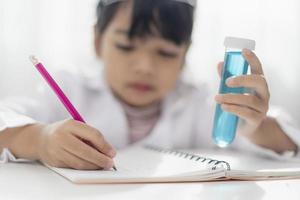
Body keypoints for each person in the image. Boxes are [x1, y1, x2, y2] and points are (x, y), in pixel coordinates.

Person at [0, 0, 299, 170]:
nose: (144, 67)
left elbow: (289, 142)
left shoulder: (198, 102)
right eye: (126, 46)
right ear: (97, 41)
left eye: (166, 53)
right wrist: (40, 138)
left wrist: (254, 126)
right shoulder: (69, 86)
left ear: (185, 55)